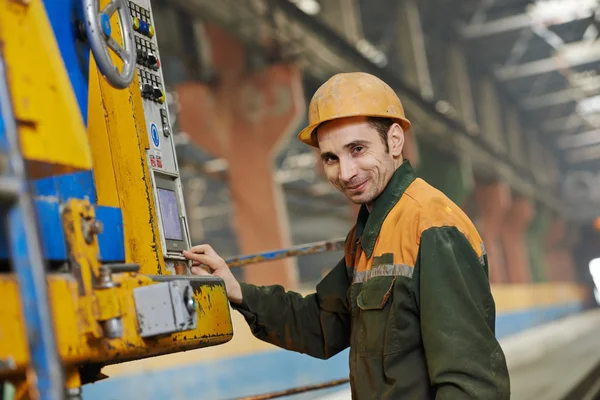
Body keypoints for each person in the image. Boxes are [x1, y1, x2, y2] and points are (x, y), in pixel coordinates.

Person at [183, 72, 511, 399]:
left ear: (394, 140)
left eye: (357, 149)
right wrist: (237, 290)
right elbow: (320, 323)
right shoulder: (368, 234)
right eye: (331, 158)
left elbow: (471, 385)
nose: (345, 173)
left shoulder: (432, 226)